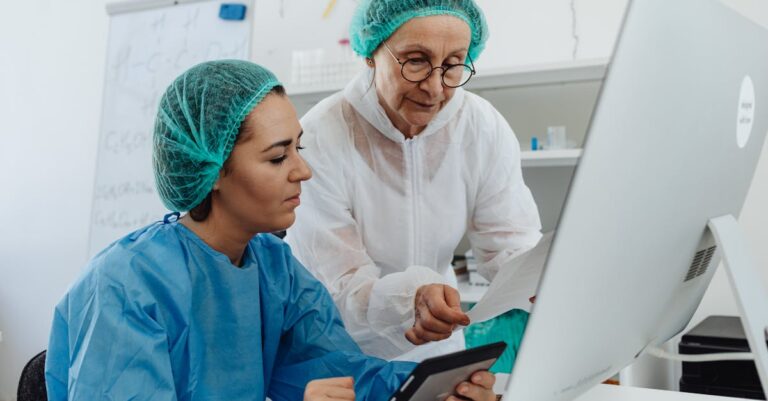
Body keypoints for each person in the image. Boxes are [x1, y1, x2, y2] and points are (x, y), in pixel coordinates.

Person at [44, 60, 497, 401]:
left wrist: (434, 388)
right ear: (212, 170)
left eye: (298, 148)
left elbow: (336, 372)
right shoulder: (125, 286)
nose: (303, 171)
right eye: (278, 157)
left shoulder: (274, 268)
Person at [286, 0, 543, 361]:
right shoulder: (320, 137)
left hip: (439, 343)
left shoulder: (480, 125)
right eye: (416, 61)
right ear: (371, 53)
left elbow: (509, 243)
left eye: (453, 65)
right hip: (345, 351)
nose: (435, 88)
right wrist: (410, 302)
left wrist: (538, 279)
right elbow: (338, 285)